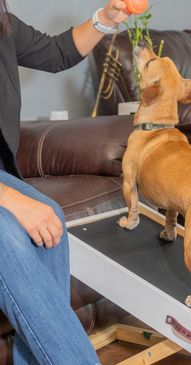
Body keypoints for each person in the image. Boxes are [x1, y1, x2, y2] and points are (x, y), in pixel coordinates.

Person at [0, 1, 130, 364]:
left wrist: (103, 20)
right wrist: (9, 199)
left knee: (47, 218)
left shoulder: (2, 24)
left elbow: (56, 52)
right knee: (6, 232)